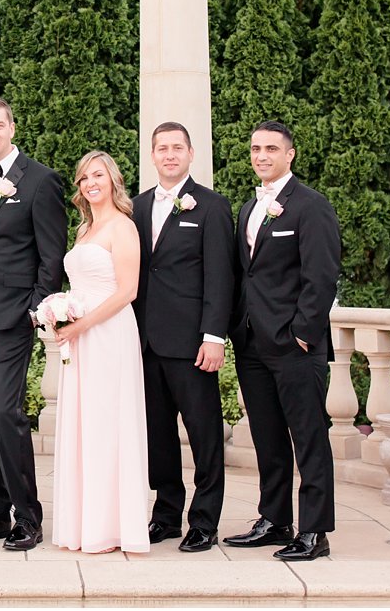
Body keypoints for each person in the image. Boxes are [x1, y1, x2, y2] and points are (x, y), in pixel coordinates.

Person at [224, 120, 341, 562]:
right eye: (256, 149)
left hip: (295, 346)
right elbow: (246, 273)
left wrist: (304, 334)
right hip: (252, 342)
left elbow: (322, 275)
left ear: (289, 154)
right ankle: (274, 520)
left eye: (271, 149)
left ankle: (314, 530)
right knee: (267, 438)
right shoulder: (248, 207)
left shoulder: (310, 206)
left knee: (308, 437)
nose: (261, 156)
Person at [0, 96, 67, 552]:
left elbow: (52, 256)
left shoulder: (41, 181)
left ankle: (28, 516)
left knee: (8, 414)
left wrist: (35, 307)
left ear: (12, 127)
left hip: (11, 319)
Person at [131, 122, 236, 553]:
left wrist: (214, 337)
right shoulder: (134, 208)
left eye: (177, 148)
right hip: (145, 343)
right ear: (152, 156)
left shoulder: (212, 206)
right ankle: (167, 515)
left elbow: (220, 278)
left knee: (204, 435)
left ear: (191, 154)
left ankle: (205, 521)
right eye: (162, 148)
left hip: (192, 343)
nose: (169, 155)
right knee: (158, 436)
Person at [51, 150, 149, 554]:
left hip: (108, 335)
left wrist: (80, 325)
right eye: (84, 177)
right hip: (81, 337)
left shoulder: (122, 227)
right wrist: (62, 316)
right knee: (84, 424)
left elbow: (128, 291)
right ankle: (83, 524)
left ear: (112, 181)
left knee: (109, 423)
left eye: (98, 175)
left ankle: (112, 527)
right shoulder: (83, 231)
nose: (90, 183)